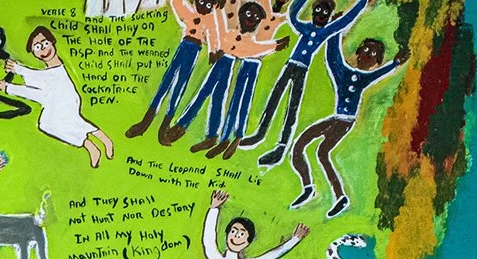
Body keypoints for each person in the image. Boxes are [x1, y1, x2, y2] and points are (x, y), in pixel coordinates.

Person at [287, 34, 405, 213]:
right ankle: (310, 188)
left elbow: (379, 74)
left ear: (377, 61)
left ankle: (339, 196)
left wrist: (395, 64)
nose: (367, 56)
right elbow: (332, 57)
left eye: (373, 55)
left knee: (321, 153)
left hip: (344, 122)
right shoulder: (343, 73)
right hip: (336, 119)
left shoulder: (364, 78)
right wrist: (335, 33)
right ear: (357, 53)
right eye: (365, 51)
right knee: (300, 146)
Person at [242, 0, 368, 168]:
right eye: (318, 10)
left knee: (292, 108)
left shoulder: (325, 32)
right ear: (313, 12)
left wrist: (363, 2)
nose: (321, 15)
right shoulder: (305, 27)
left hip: (301, 71)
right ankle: (259, 134)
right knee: (274, 99)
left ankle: (281, 147)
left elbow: (346, 20)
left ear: (329, 16)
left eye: (325, 13)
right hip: (290, 66)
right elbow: (292, 14)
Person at [176, 0, 287, 157]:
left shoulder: (270, 13)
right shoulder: (232, 11)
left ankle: (227, 138)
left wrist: (273, 45)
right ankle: (198, 130)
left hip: (247, 58)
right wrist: (216, 47)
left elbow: (256, 40)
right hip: (227, 52)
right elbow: (219, 24)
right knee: (210, 92)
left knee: (237, 101)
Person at [0, 25, 115, 167]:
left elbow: (40, 78)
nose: (44, 49)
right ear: (34, 53)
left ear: (52, 42)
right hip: (56, 100)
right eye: (38, 47)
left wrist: (17, 69)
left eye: (45, 43)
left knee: (63, 122)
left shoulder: (54, 71)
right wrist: (8, 86)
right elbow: (34, 93)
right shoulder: (48, 77)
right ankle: (90, 146)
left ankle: (102, 141)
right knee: (50, 123)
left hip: (65, 99)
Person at [127, 0, 222, 143]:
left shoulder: (211, 19)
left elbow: (213, 35)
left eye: (209, 5)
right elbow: (177, 3)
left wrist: (213, 52)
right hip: (184, 46)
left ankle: (164, 127)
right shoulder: (189, 10)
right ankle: (145, 122)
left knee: (179, 87)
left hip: (194, 50)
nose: (204, 6)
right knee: (166, 83)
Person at [201, 188, 306, 259]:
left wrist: (295, 239)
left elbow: (273, 255)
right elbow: (208, 238)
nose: (237, 236)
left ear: (247, 242)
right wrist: (214, 208)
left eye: (242, 234)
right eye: (233, 231)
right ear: (227, 235)